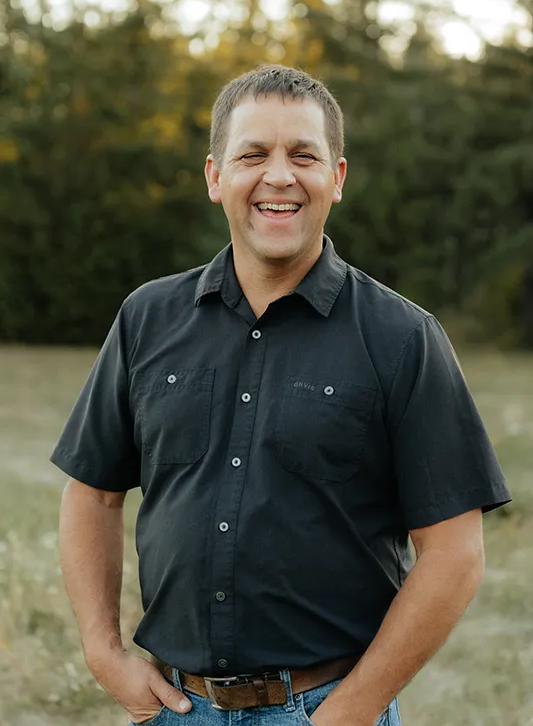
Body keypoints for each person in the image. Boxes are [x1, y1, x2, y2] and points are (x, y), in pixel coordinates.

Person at [51, 64, 511, 726]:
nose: (278, 176)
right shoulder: (147, 318)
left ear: (337, 178)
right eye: (252, 155)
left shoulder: (402, 338)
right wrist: (102, 652)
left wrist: (352, 708)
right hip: (176, 708)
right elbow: (91, 493)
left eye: (303, 156)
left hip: (328, 707)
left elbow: (455, 553)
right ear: (215, 177)